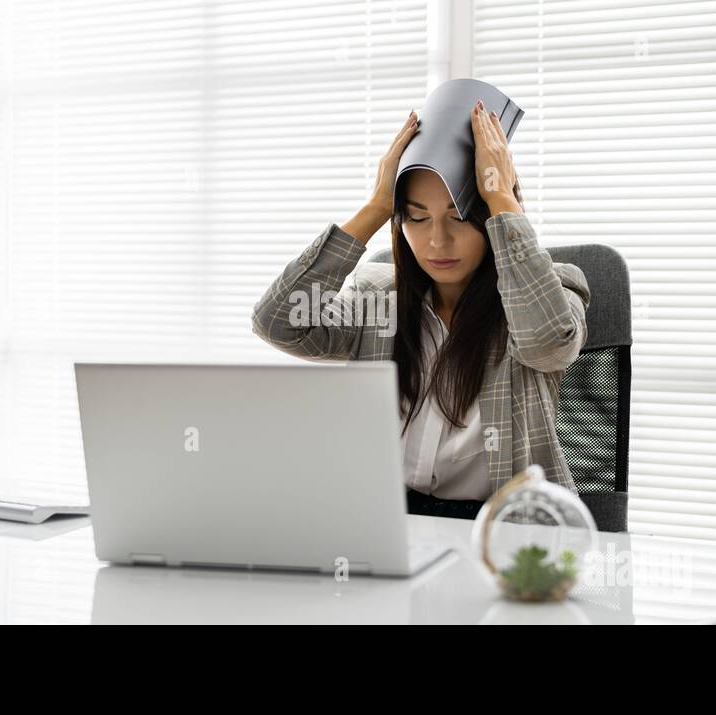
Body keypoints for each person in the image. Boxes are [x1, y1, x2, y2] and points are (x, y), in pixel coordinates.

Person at [252, 100, 591, 518]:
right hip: (385, 516)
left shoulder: (551, 289)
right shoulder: (377, 301)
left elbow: (546, 344)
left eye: (459, 218)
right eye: (416, 218)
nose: (437, 242)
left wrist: (501, 195)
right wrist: (376, 208)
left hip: (502, 525)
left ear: (490, 220)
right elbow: (278, 323)